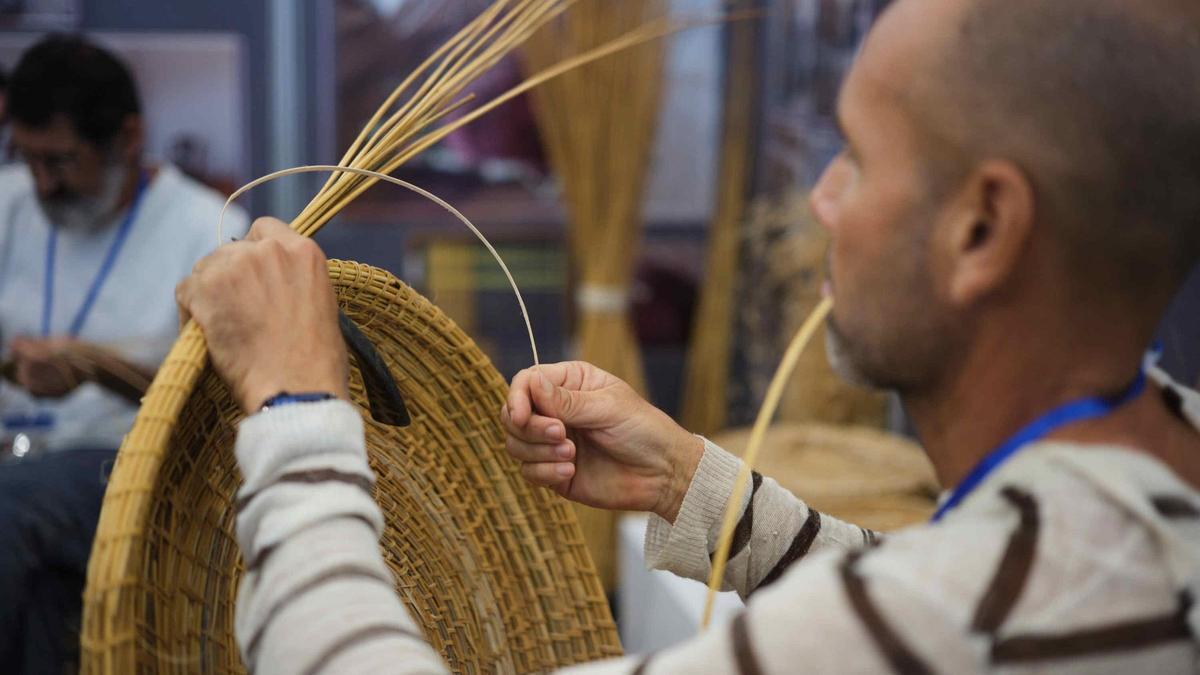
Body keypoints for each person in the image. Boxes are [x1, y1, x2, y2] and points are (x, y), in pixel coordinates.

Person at [176, 0, 1200, 671]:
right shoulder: (1157, 480)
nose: (822, 201)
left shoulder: (958, 618)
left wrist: (295, 408)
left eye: (857, 156)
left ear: (981, 231)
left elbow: (934, 613)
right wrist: (691, 486)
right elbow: (940, 584)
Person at [0, 35, 249, 673]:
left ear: (129, 137)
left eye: (59, 161)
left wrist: (93, 367)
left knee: (9, 507)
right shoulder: (10, 205)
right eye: (27, 159)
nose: (42, 183)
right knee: (41, 595)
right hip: (20, 465)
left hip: (132, 470)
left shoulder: (211, 230)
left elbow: (220, 406)